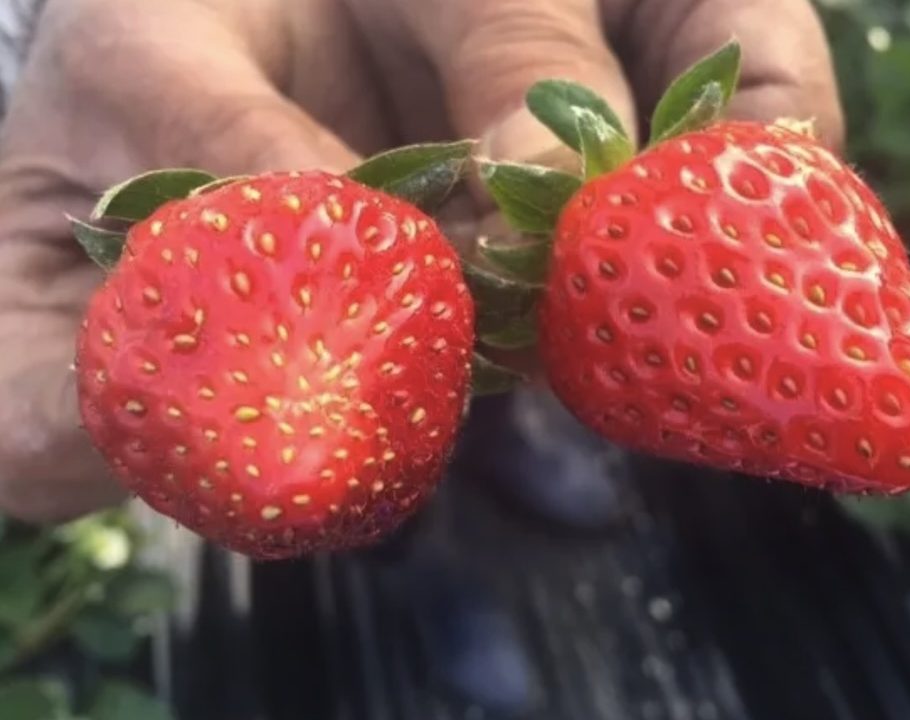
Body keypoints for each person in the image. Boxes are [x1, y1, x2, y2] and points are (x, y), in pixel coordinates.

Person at [0, 0, 843, 713]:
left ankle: (508, 446)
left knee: (481, 335)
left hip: (430, 220)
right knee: (359, 460)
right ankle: (434, 585)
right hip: (309, 195)